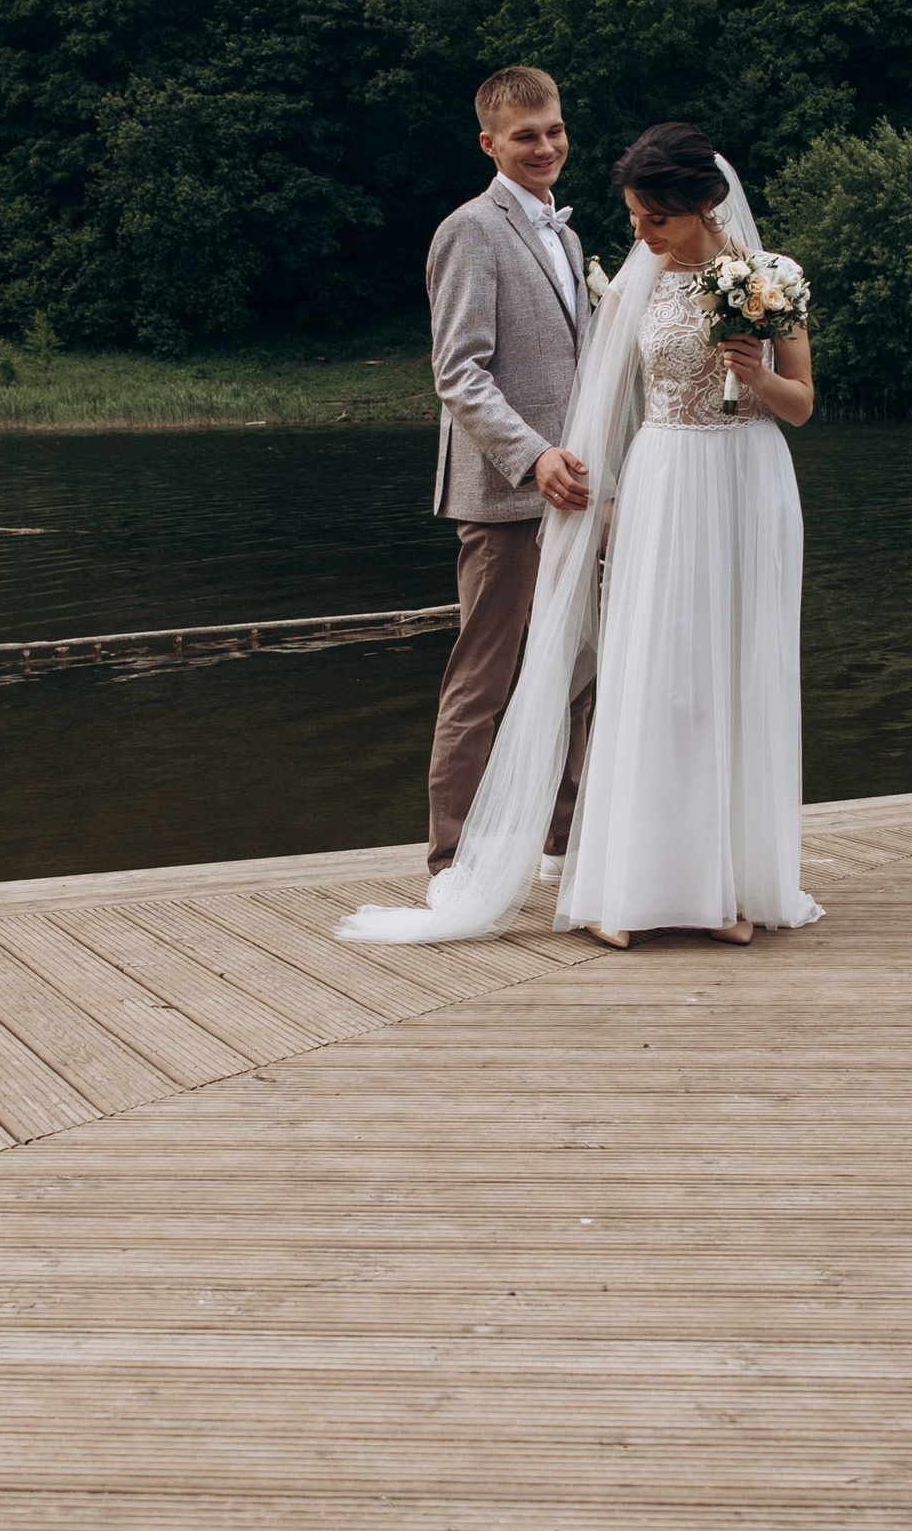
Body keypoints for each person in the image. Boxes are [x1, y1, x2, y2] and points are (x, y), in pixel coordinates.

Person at [346, 118, 820, 950]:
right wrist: (569, 479)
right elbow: (596, 396)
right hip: (667, 482)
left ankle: (726, 883)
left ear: (704, 203)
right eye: (635, 218)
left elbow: (803, 404)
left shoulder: (771, 277)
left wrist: (757, 375)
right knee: (652, 676)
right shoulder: (636, 280)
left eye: (655, 219)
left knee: (734, 671)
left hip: (748, 484)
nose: (639, 234)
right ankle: (624, 886)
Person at [422, 64, 595, 897]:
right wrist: (533, 455)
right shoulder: (470, 230)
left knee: (581, 673)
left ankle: (563, 843)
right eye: (525, 136)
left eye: (554, 129)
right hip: (505, 495)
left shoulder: (566, 236)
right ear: (489, 143)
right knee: (483, 679)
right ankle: (451, 861)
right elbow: (459, 374)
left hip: (579, 493)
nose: (545, 146)